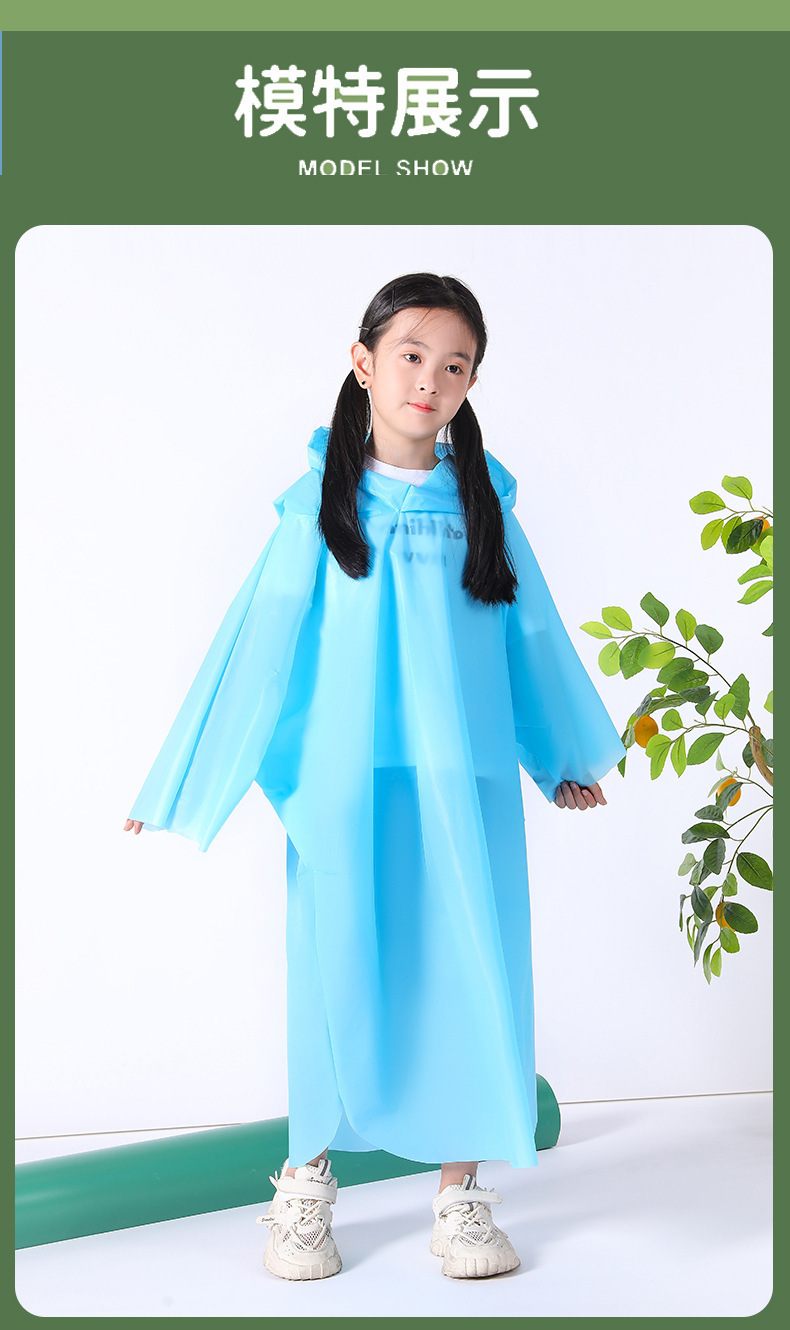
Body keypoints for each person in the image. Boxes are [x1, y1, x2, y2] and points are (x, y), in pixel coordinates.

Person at [124, 272, 627, 1282]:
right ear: (363, 363)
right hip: (345, 780)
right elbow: (258, 640)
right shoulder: (321, 505)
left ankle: (460, 1193)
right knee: (334, 966)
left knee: (471, 963)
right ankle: (306, 1183)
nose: (429, 380)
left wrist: (563, 759)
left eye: (455, 365)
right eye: (411, 356)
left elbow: (530, 634)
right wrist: (191, 775)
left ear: (472, 383)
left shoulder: (482, 506)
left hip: (462, 777)